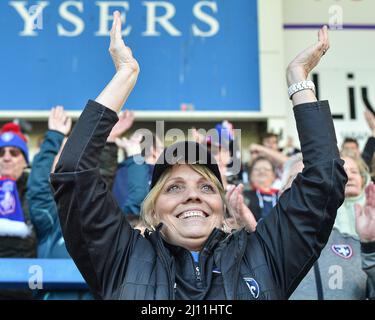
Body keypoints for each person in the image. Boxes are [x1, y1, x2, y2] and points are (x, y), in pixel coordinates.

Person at [51, 13, 346, 300]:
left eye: (206, 186)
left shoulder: (263, 257)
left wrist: (299, 79)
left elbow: (324, 178)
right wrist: (125, 74)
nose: (193, 196)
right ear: (152, 211)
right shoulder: (122, 259)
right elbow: (74, 173)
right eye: (174, 187)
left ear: (222, 209)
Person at [284, 152, 375, 299]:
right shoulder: (264, 249)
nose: (308, 188)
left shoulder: (355, 246)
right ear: (281, 193)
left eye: (316, 181)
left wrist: (371, 247)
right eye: (297, 179)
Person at [0, 122, 37, 299]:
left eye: (14, 153)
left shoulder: (38, 191)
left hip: (26, 287)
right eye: (1, 153)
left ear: (25, 161)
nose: (6, 158)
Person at [244, 157, 278, 221]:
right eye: (257, 169)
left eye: (266, 169)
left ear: (274, 176)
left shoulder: (282, 195)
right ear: (250, 175)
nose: (262, 171)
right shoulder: (244, 195)